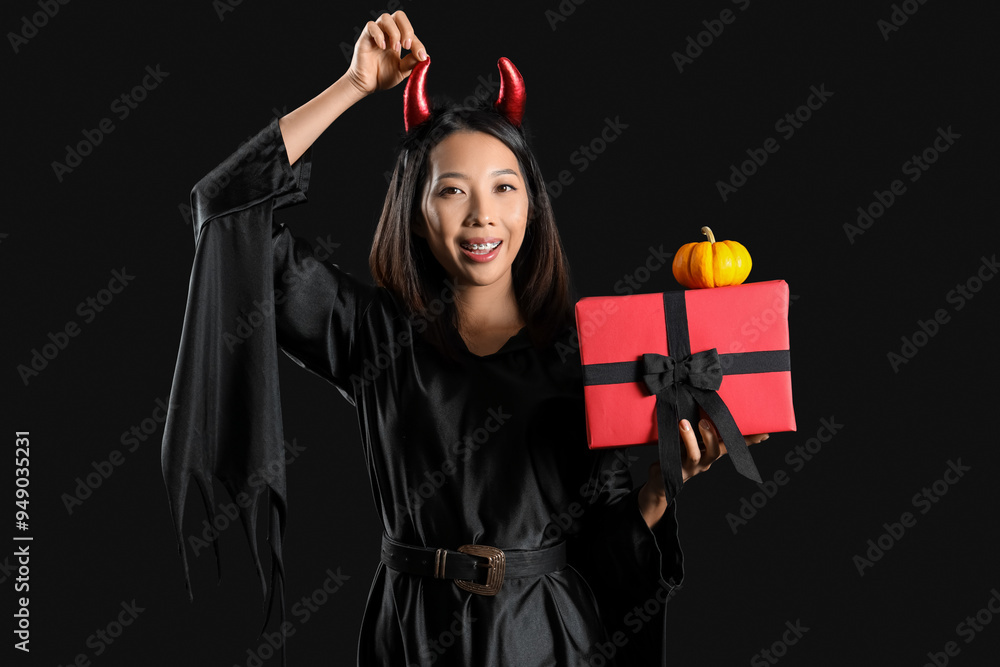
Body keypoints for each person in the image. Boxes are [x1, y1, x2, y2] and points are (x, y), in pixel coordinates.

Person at [161, 10, 767, 666]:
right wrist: (355, 85)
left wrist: (660, 486)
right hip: (410, 636)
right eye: (452, 190)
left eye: (503, 187)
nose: (482, 213)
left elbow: (608, 544)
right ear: (417, 213)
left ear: (531, 206)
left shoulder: (584, 350)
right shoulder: (371, 332)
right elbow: (222, 205)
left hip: (545, 637)